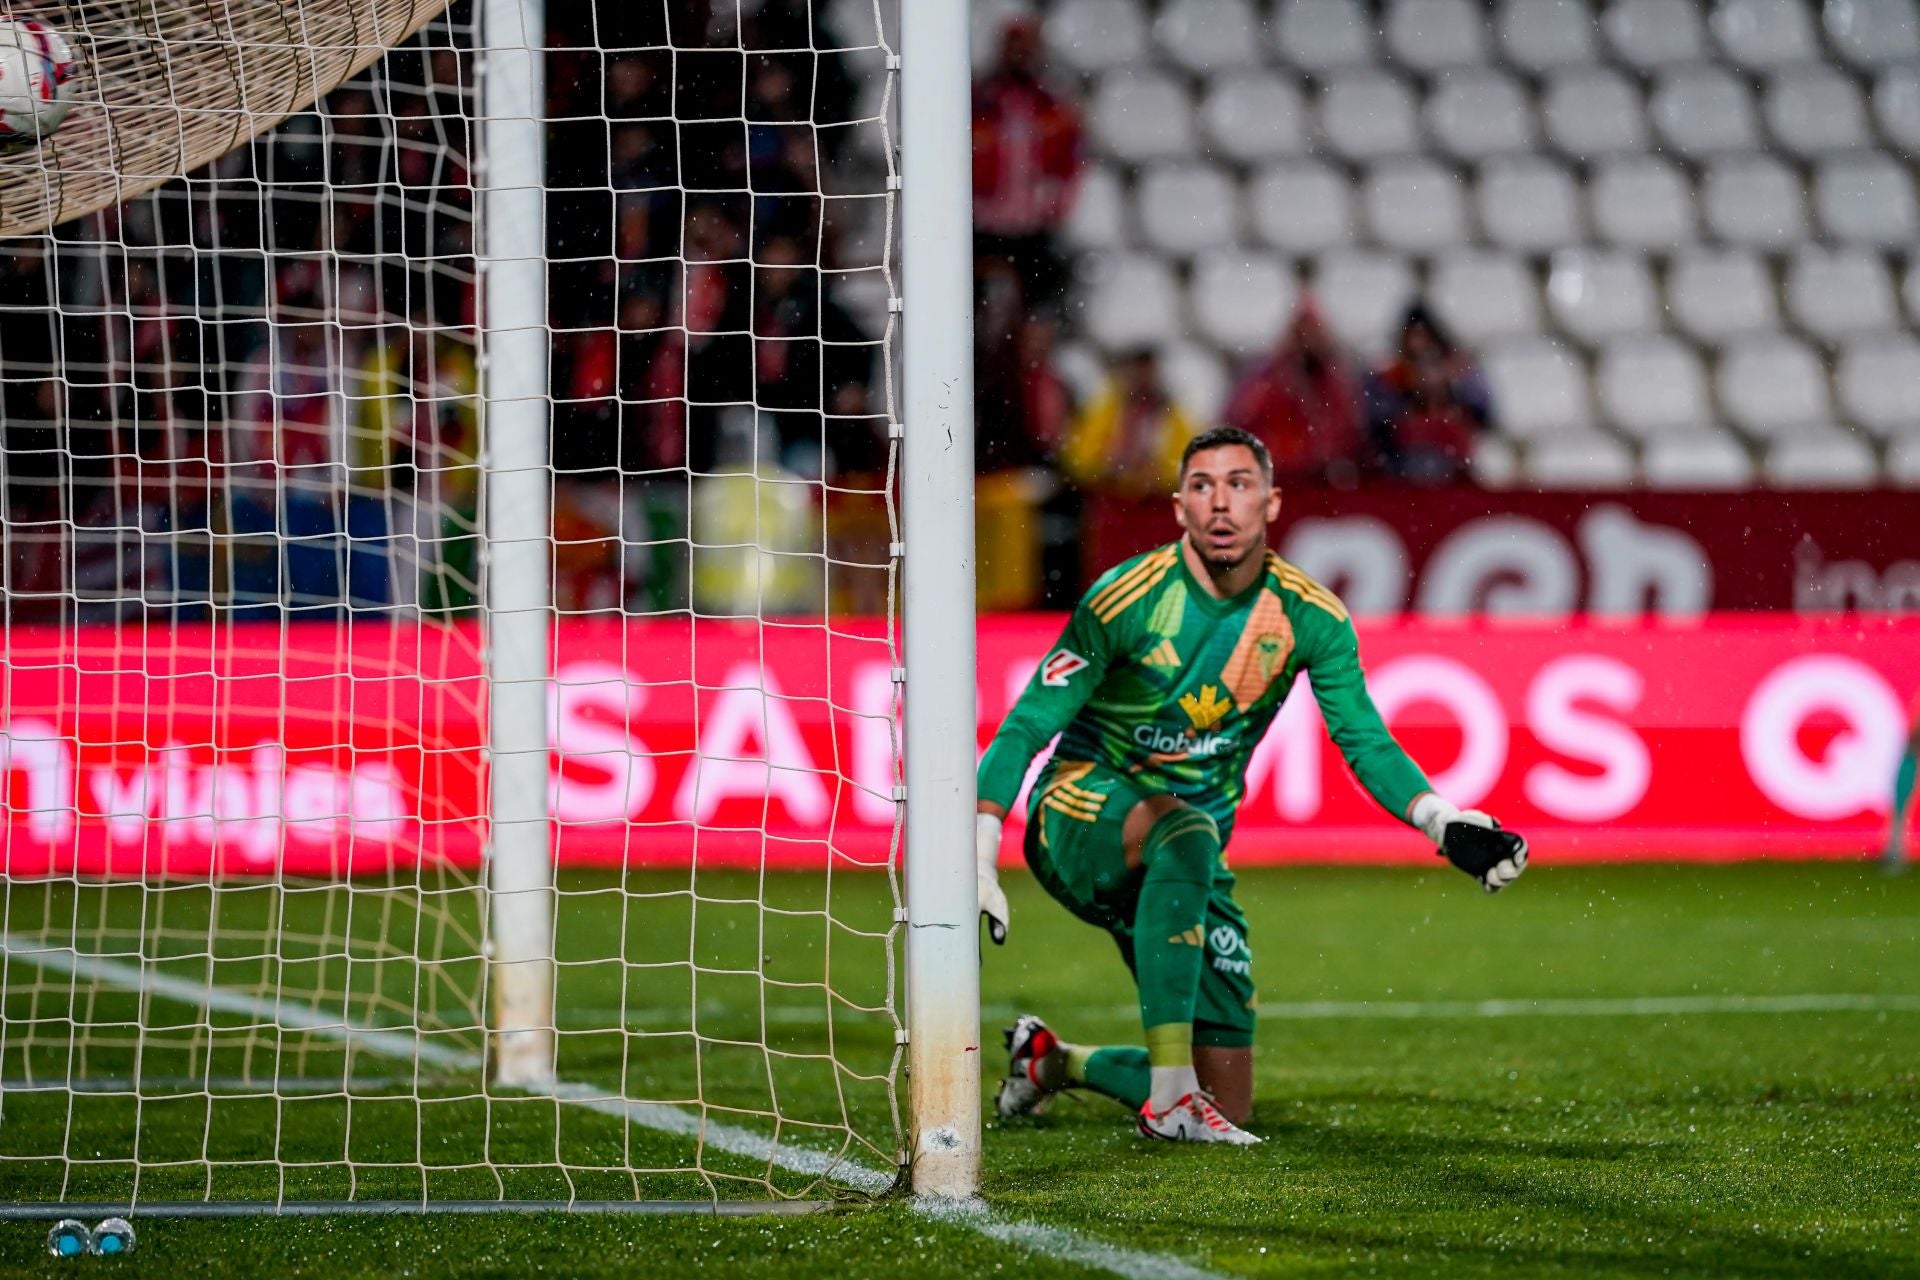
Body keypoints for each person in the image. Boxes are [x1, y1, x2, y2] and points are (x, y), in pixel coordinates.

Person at [974, 426, 1529, 1144]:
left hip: (1187, 860)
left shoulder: (1310, 617)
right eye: (1202, 487)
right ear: (1178, 508)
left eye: (1239, 484)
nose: (1221, 504)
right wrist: (981, 845)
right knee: (1186, 830)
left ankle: (1049, 1062)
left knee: (1230, 1100)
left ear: (1270, 502)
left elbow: (1363, 738)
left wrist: (1443, 821)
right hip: (1081, 814)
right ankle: (1170, 1102)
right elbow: (1025, 726)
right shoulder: (1126, 600)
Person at [1221, 295, 1364, 488]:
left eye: (1313, 334)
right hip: (1277, 480)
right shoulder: (1266, 381)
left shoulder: (1337, 382)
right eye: (1302, 334)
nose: (1308, 341)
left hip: (1319, 484)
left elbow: (1347, 431)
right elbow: (1241, 421)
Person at [1363, 304, 1493, 485]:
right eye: (1413, 336)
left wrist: (1450, 389)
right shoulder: (1389, 378)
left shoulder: (1461, 373)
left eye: (1424, 336)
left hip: (1452, 474)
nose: (1418, 344)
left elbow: (1484, 413)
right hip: (1400, 473)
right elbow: (1377, 424)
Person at [1887, 708, 1919, 870]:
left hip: (1910, 764)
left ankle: (1896, 855)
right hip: (1909, 764)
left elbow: (1913, 743)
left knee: (1900, 814)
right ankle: (1895, 853)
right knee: (1899, 814)